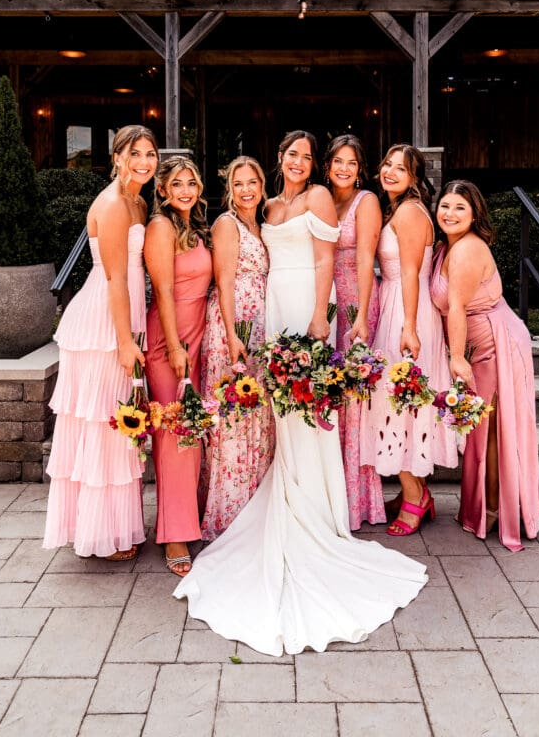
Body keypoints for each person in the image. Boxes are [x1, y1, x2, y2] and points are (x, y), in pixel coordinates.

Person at [174, 130, 427, 656]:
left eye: (307, 156)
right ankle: (284, 494)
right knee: (278, 414)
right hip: (269, 304)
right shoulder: (265, 204)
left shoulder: (314, 198)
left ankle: (318, 510)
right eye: (292, 153)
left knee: (305, 410)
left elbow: (323, 259)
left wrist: (320, 317)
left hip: (307, 302)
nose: (300, 162)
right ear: (279, 158)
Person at [43, 125, 159, 560]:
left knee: (119, 426)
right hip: (103, 323)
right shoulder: (112, 204)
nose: (144, 161)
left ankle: (114, 525)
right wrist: (124, 340)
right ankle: (97, 534)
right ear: (117, 156)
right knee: (105, 424)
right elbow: (113, 277)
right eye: (136, 153)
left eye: (150, 154)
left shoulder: (139, 201)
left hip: (125, 314)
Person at [430, 179, 539, 551]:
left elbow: (458, 307)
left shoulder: (466, 250)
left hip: (494, 345)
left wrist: (456, 356)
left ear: (475, 213)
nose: (450, 213)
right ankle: (483, 505)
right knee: (481, 428)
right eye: (445, 205)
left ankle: (495, 509)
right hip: (478, 340)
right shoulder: (447, 247)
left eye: (460, 208)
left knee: (493, 429)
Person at [360, 144, 457, 536]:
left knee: (398, 400)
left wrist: (410, 327)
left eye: (401, 168)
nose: (390, 172)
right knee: (401, 402)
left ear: (416, 178)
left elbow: (413, 273)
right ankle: (416, 491)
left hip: (406, 310)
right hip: (396, 305)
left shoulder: (410, 213)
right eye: (387, 164)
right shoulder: (398, 210)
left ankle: (415, 495)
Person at [199, 156, 274, 540]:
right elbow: (223, 283)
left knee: (256, 415)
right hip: (234, 325)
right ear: (230, 188)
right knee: (233, 414)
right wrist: (232, 337)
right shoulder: (226, 225)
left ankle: (255, 502)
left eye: (252, 182)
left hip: (260, 324)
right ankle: (229, 510)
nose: (246, 190)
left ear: (262, 185)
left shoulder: (259, 224)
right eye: (239, 183)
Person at [144, 155, 213, 575]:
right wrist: (173, 346)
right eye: (177, 184)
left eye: (191, 182)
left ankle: (190, 518)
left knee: (192, 435)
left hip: (199, 338)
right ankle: (173, 535)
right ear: (164, 191)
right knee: (173, 436)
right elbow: (163, 293)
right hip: (170, 342)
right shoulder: (161, 227)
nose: (186, 190)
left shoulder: (194, 227)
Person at [324, 133, 385, 530]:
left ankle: (357, 499)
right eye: (337, 161)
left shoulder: (366, 202)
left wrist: (362, 314)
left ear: (360, 169)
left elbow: (366, 259)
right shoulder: (325, 199)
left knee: (354, 401)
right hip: (327, 303)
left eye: (351, 162)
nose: (344, 169)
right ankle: (329, 490)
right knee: (333, 396)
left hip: (355, 302)